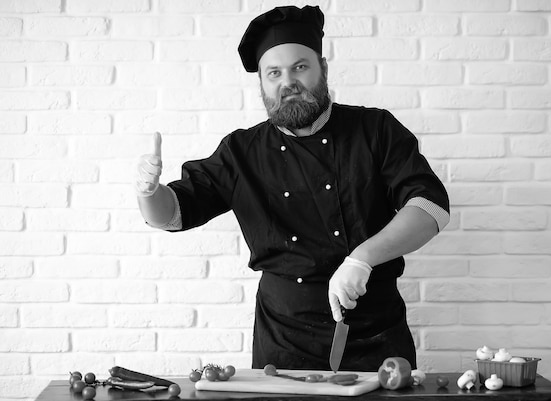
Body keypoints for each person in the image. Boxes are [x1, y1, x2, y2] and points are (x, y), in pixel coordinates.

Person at [135, 5, 449, 372]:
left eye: (300, 67)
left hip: (376, 336)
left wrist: (363, 257)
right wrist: (148, 192)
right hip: (283, 343)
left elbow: (431, 206)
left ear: (323, 69)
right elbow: (174, 213)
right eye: (274, 73)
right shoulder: (241, 152)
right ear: (263, 85)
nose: (288, 82)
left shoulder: (375, 130)